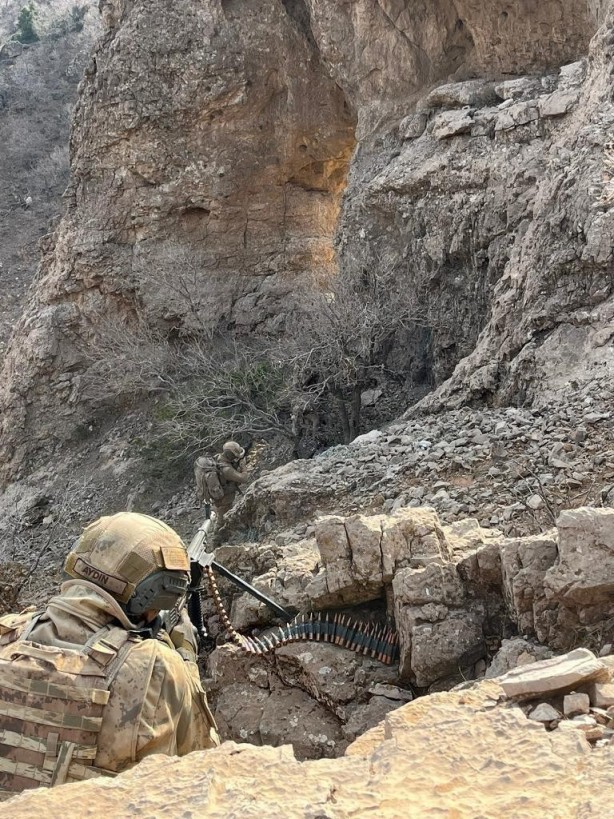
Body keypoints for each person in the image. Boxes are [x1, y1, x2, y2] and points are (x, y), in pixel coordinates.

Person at [0, 512, 220, 799]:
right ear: (153, 594)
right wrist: (186, 658)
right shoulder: (155, 666)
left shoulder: (8, 633)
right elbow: (204, 759)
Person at [210, 441, 249, 544]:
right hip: (224, 500)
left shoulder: (218, 458)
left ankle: (226, 539)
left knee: (224, 519)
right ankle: (215, 545)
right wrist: (243, 466)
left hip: (221, 498)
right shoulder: (226, 469)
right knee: (221, 522)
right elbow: (244, 478)